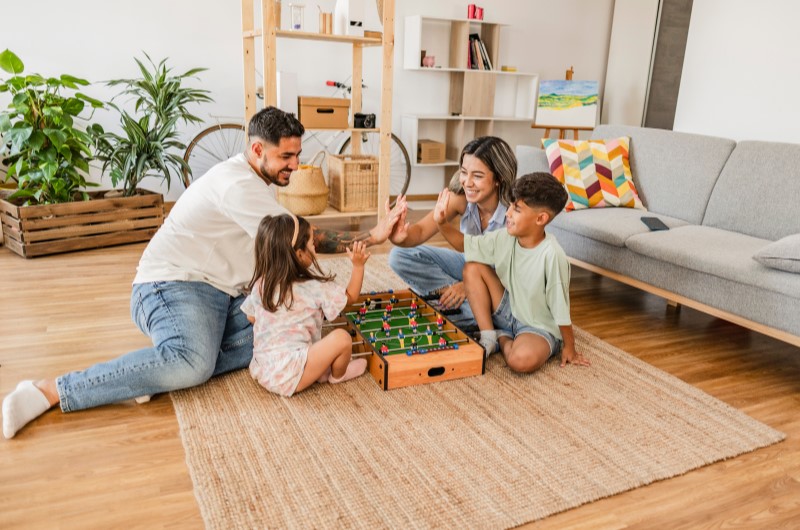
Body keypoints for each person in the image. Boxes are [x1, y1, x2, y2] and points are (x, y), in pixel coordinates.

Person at [2, 106, 404, 439]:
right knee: (194, 365)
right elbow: (304, 237)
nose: (296, 166)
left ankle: (157, 373)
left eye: (297, 155)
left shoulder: (252, 177)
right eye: (286, 157)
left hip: (221, 292)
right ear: (257, 149)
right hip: (172, 286)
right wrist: (373, 235)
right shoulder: (237, 187)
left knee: (287, 334)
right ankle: (50, 390)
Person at [433, 172, 590, 372]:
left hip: (537, 326)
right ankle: (489, 335)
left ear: (541, 218)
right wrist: (441, 224)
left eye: (516, 209)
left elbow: (560, 308)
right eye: (510, 206)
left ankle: (503, 338)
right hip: (508, 308)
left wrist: (570, 347)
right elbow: (465, 244)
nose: (507, 213)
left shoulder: (552, 255)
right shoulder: (504, 238)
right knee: (473, 267)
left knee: (519, 362)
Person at [386, 136, 516, 329]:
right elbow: (420, 231)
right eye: (464, 172)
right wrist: (400, 236)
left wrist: (468, 286)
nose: (467, 182)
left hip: (502, 284)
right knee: (398, 255)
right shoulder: (461, 199)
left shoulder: (515, 214)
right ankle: (451, 301)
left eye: (477, 176)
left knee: (477, 312)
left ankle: (454, 306)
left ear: (499, 178)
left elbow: (513, 276)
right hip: (468, 267)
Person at [242, 213, 369, 397]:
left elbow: (251, 317)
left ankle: (316, 368)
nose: (315, 246)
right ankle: (337, 375)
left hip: (263, 368)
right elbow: (350, 297)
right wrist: (358, 267)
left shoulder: (262, 285)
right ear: (300, 254)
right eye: (311, 243)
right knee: (342, 338)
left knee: (312, 345)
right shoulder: (314, 287)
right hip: (291, 373)